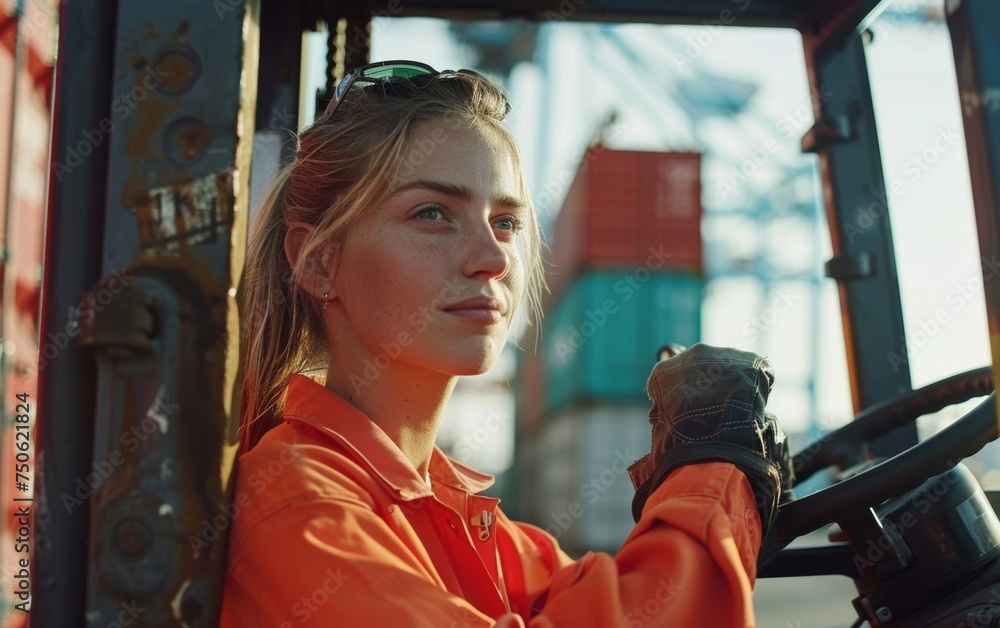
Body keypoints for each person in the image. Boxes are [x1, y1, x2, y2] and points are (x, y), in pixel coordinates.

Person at [219, 60, 792, 627]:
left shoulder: (467, 523)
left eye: (507, 223)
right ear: (318, 263)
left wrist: (714, 481)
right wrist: (714, 474)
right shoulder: (298, 506)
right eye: (432, 213)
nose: (493, 259)